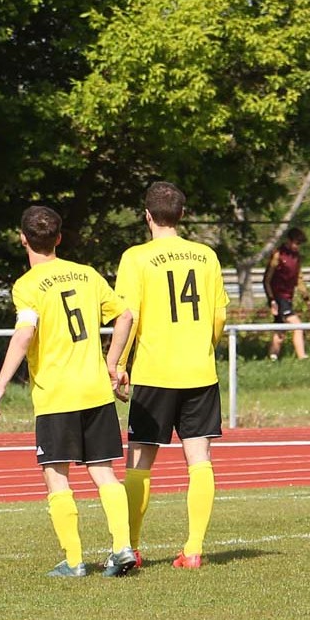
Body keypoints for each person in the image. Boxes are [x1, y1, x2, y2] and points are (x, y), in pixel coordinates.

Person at [0, 205, 137, 578]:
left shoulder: (27, 285)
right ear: (59, 238)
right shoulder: (87, 274)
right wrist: (113, 363)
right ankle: (122, 547)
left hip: (57, 394)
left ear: (23, 239)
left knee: (56, 474)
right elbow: (126, 315)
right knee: (104, 472)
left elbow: (25, 333)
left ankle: (73, 560)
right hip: (96, 390)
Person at [114, 181, 230, 570]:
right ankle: (193, 549)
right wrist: (204, 346)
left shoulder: (136, 258)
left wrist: (120, 364)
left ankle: (131, 547)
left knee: (139, 461)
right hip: (199, 372)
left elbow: (129, 316)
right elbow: (219, 316)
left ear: (147, 215)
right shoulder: (206, 256)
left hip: (154, 373)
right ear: (182, 214)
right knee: (199, 460)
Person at [263, 226, 310, 361]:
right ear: (289, 240)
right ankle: (302, 357)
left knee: (280, 331)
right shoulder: (278, 254)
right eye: (296, 243)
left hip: (288, 297)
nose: (298, 246)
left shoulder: (297, 257)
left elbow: (299, 279)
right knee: (298, 326)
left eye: (300, 244)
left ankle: (272, 359)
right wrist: (272, 300)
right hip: (279, 298)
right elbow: (267, 280)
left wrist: (307, 299)